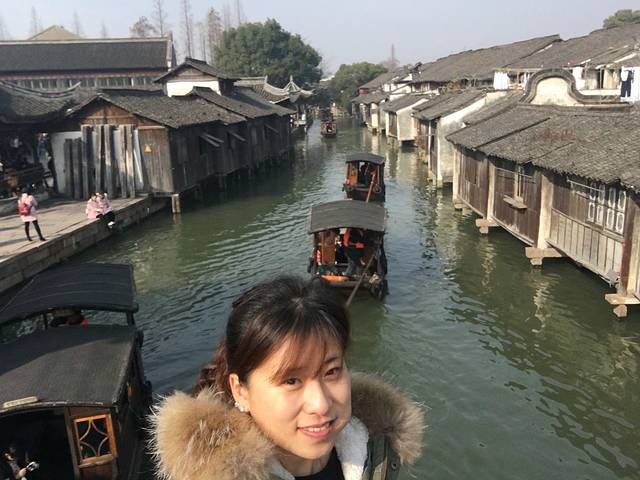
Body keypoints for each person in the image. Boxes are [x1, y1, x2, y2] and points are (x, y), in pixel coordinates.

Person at [151, 276, 424, 480]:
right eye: (291, 381)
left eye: (331, 372)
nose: (321, 404)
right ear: (240, 391)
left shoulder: (375, 451)